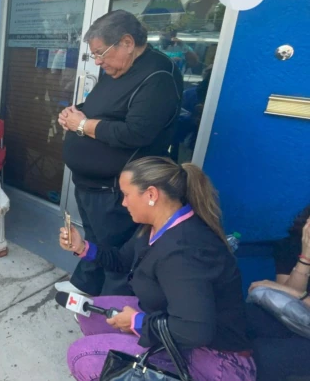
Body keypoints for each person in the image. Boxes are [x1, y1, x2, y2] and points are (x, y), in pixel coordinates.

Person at [59, 157, 256, 381]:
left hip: (214, 359)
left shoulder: (183, 253)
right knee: (90, 315)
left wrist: (138, 323)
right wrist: (82, 247)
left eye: (126, 194)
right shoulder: (155, 227)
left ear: (151, 194)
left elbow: (195, 330)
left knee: (81, 355)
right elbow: (123, 260)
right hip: (168, 318)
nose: (123, 203)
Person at [57, 10, 183, 297]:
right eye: (95, 56)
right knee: (95, 238)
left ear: (127, 42)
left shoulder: (158, 76)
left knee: (115, 250)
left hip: (116, 188)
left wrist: (84, 124)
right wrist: (73, 113)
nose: (99, 62)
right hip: (90, 181)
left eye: (101, 53)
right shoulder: (119, 69)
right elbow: (101, 108)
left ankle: (109, 308)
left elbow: (136, 133)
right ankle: (85, 286)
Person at [245, 204, 310, 380]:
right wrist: (306, 256)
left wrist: (283, 289)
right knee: (252, 316)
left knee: (268, 355)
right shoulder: (291, 245)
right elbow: (284, 305)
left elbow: (289, 293)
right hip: (297, 320)